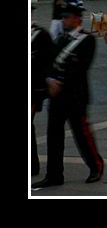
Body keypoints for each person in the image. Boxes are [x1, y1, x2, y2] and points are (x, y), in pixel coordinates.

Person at [32, 0, 104, 189]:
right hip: (57, 97)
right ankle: (54, 175)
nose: (63, 20)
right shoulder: (61, 39)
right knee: (53, 137)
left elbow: (81, 68)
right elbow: (49, 62)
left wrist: (60, 82)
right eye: (62, 17)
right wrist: (49, 80)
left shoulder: (87, 40)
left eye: (66, 17)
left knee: (82, 135)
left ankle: (96, 166)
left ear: (76, 18)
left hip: (75, 96)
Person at [31, 23, 55, 177]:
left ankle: (33, 165)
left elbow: (50, 62)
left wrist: (42, 85)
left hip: (34, 88)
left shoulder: (40, 35)